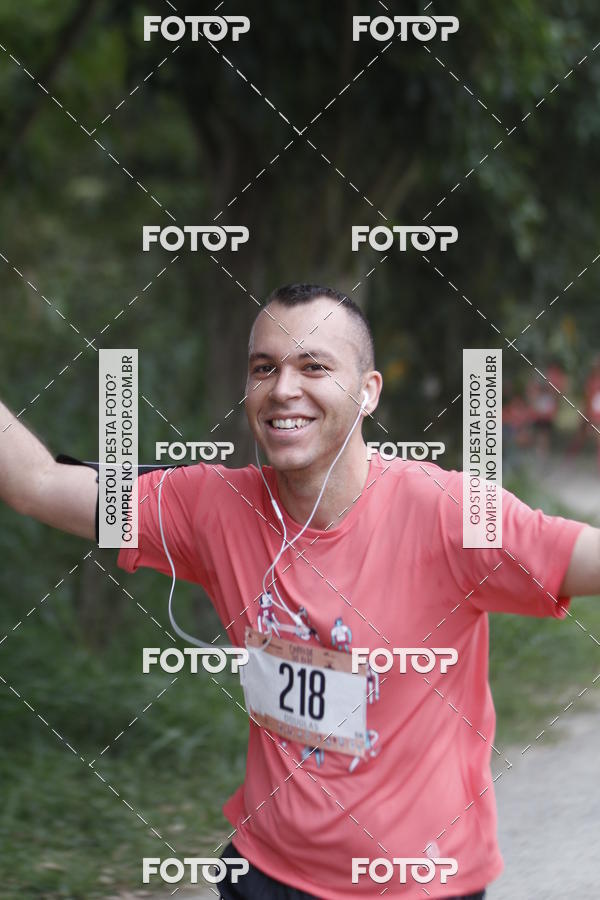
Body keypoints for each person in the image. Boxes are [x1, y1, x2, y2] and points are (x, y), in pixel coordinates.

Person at [1, 283, 599, 900]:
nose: (283, 388)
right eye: (265, 368)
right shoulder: (213, 506)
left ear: (367, 393)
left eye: (314, 366)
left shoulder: (446, 515)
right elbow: (38, 484)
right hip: (263, 873)